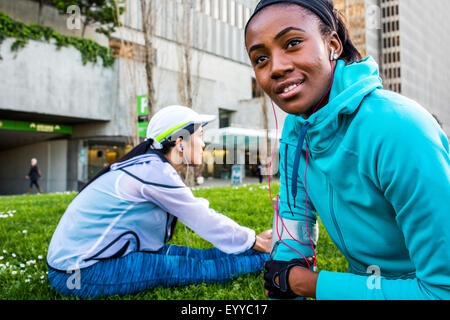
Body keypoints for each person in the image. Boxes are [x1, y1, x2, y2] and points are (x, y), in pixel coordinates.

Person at [245, 0, 450, 300]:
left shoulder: (399, 130)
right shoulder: (296, 129)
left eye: (292, 43)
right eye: (261, 58)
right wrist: (285, 279)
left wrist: (309, 284)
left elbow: (441, 290)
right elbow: (293, 225)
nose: (276, 67)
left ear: (333, 45)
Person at [47, 105, 272, 299]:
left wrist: (250, 240)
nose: (204, 144)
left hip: (81, 266)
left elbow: (198, 213)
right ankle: (269, 257)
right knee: (193, 269)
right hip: (77, 275)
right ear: (180, 142)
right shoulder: (152, 171)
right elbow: (202, 219)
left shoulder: (150, 166)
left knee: (196, 256)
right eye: (200, 136)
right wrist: (256, 242)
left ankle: (265, 253)